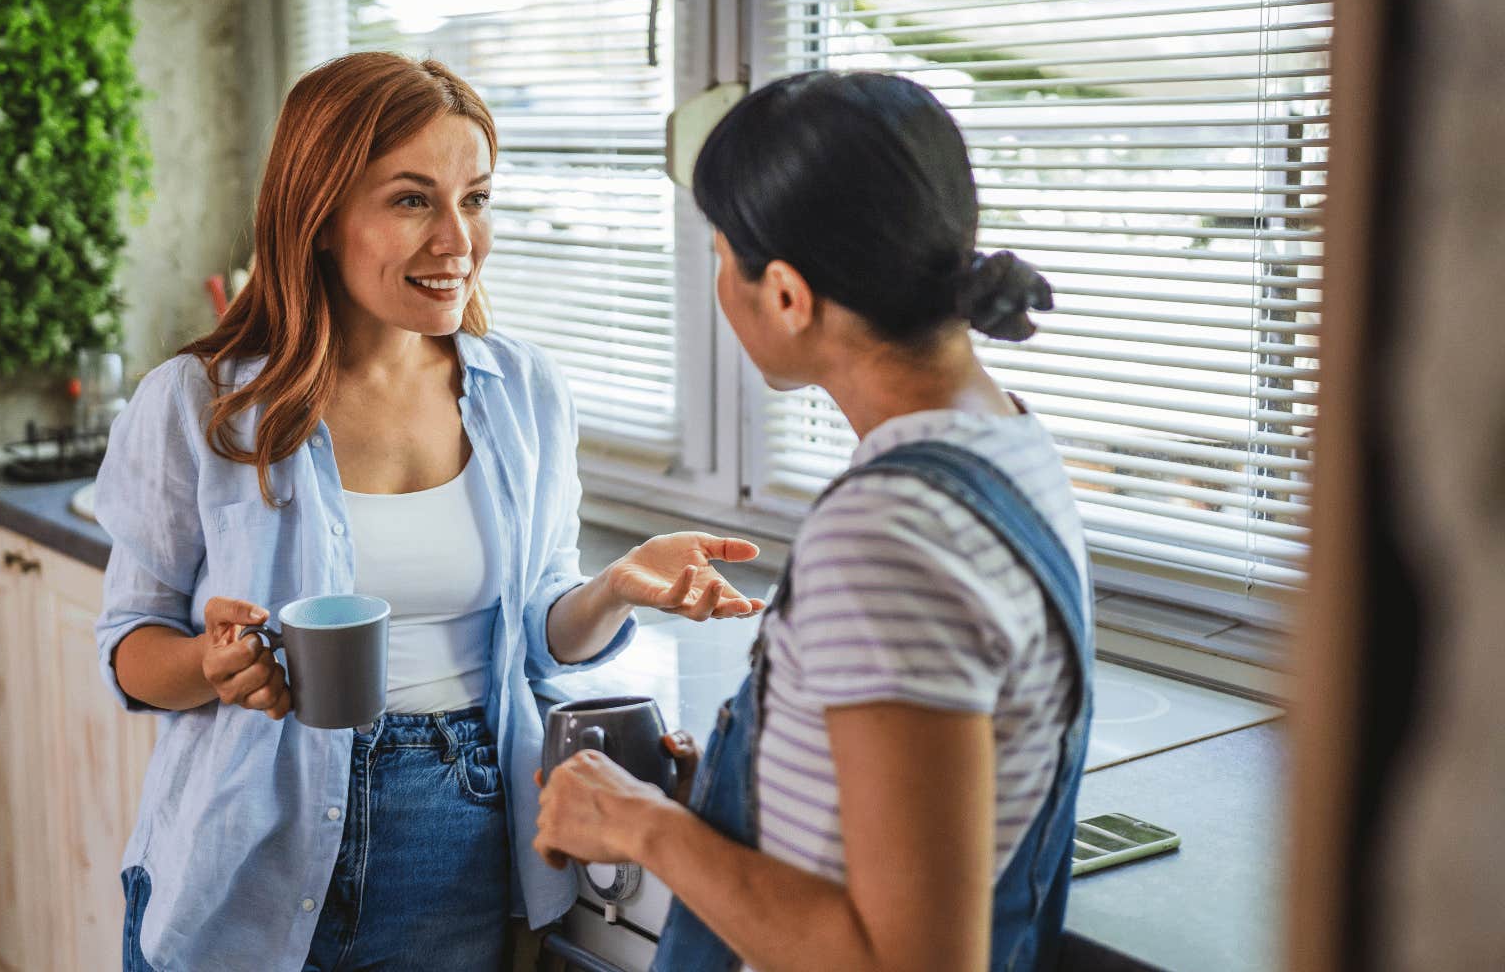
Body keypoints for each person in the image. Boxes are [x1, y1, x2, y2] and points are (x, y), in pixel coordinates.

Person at [92, 51, 764, 972]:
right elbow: (132, 650)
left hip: (456, 852)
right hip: (240, 855)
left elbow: (535, 635)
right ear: (320, 215)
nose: (458, 240)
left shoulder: (523, 392)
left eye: (476, 199)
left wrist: (613, 589)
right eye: (412, 200)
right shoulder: (197, 406)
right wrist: (213, 666)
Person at [533, 71, 1094, 972]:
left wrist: (645, 829)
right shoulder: (1007, 446)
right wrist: (726, 795)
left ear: (787, 296)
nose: (717, 283)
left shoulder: (888, 536)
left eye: (720, 255)